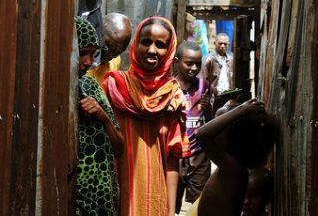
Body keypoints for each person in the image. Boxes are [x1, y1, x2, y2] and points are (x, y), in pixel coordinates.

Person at [102, 16, 191, 216]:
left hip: (154, 201)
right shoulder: (113, 87)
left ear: (169, 51)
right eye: (146, 42)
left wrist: (170, 212)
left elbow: (171, 160)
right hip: (114, 198)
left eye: (160, 45)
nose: (152, 50)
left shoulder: (173, 97)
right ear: (135, 45)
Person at [186, 99, 279, 216]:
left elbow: (202, 134)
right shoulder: (232, 167)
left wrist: (241, 110)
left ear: (232, 137)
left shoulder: (233, 169)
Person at [74, 16, 125, 215]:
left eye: (93, 54)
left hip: (102, 199)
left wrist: (103, 117)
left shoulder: (91, 87)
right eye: (82, 52)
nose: (88, 62)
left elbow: (119, 149)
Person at [173, 41, 212, 214]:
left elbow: (209, 121)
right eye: (189, 63)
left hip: (199, 155)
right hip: (175, 155)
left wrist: (208, 106)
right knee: (171, 204)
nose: (194, 68)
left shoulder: (204, 86)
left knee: (200, 203)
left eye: (198, 63)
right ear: (176, 62)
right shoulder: (168, 87)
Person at [86, 13, 132, 84]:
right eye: (107, 47)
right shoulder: (83, 59)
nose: (110, 57)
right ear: (99, 34)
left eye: (116, 53)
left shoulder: (115, 61)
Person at [201, 32, 234, 114]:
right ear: (215, 43)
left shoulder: (231, 59)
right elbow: (203, 79)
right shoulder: (208, 59)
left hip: (227, 95)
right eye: (220, 43)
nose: (223, 46)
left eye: (225, 44)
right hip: (214, 96)